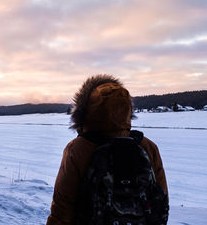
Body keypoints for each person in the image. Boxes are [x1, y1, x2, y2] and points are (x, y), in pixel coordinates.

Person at [46, 74, 168, 224]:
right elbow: (161, 202)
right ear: (127, 110)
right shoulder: (147, 146)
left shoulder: (78, 149)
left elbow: (62, 209)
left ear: (85, 111)